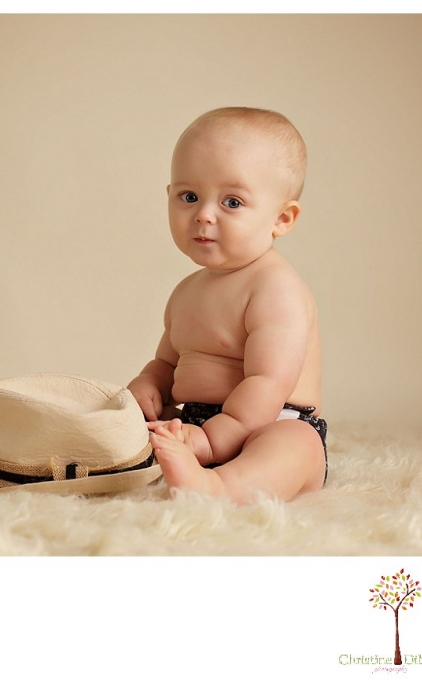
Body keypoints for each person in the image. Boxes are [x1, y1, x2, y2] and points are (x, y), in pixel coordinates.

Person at [127, 106, 327, 504]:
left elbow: (267, 383)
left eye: (232, 202)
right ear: (169, 197)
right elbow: (168, 362)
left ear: (282, 219)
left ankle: (220, 487)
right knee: (128, 428)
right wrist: (150, 386)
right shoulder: (186, 291)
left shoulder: (275, 287)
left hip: (270, 420)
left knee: (293, 446)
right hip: (197, 422)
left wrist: (212, 440)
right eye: (189, 196)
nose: (203, 215)